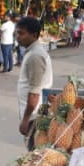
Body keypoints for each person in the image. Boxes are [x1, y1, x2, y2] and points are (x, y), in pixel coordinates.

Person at [16, 17, 53, 150]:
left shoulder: (35, 56)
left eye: (21, 33)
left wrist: (25, 120)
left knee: (35, 154)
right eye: (17, 33)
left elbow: (34, 94)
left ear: (34, 35)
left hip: (35, 115)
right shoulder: (32, 52)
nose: (17, 37)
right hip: (34, 113)